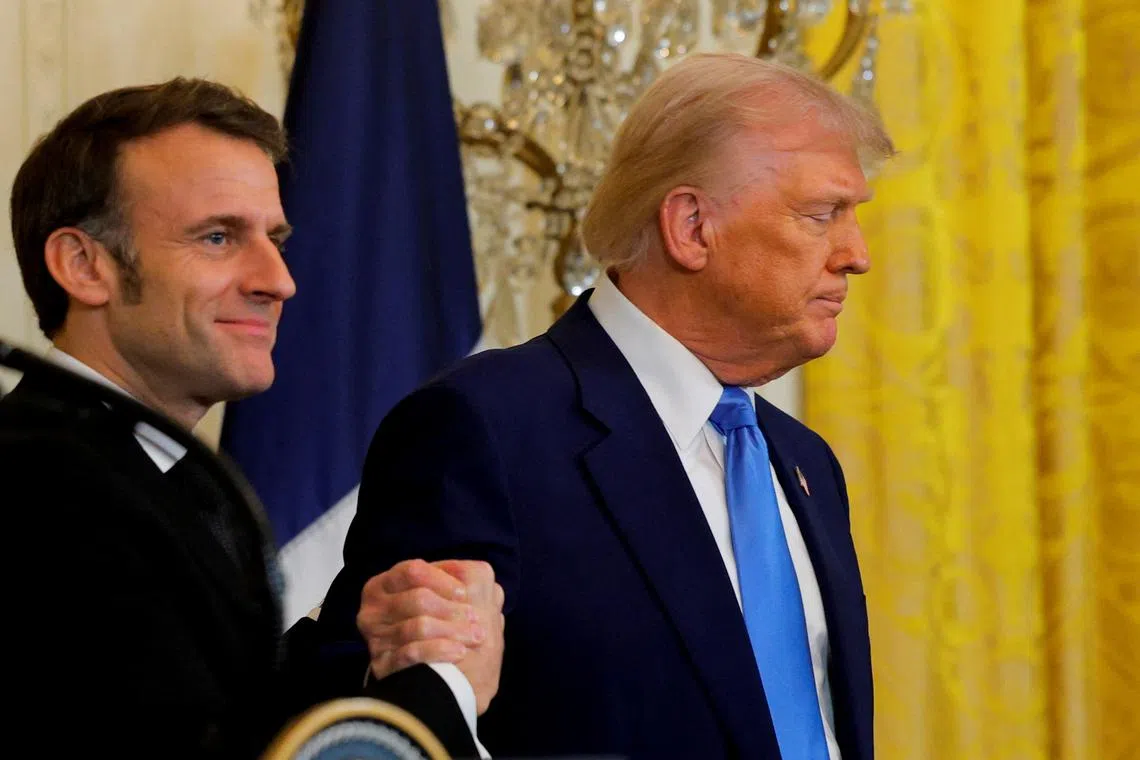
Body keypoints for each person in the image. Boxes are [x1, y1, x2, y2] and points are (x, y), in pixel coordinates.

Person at [316, 52, 895, 759]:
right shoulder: (482, 430)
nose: (857, 254)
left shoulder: (806, 462)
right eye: (822, 214)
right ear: (691, 227)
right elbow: (374, 726)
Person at [1, 78, 502, 758]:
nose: (278, 279)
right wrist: (443, 690)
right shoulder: (43, 489)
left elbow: (223, 713)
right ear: (84, 266)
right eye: (217, 237)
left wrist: (376, 646)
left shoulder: (156, 474)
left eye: (275, 238)